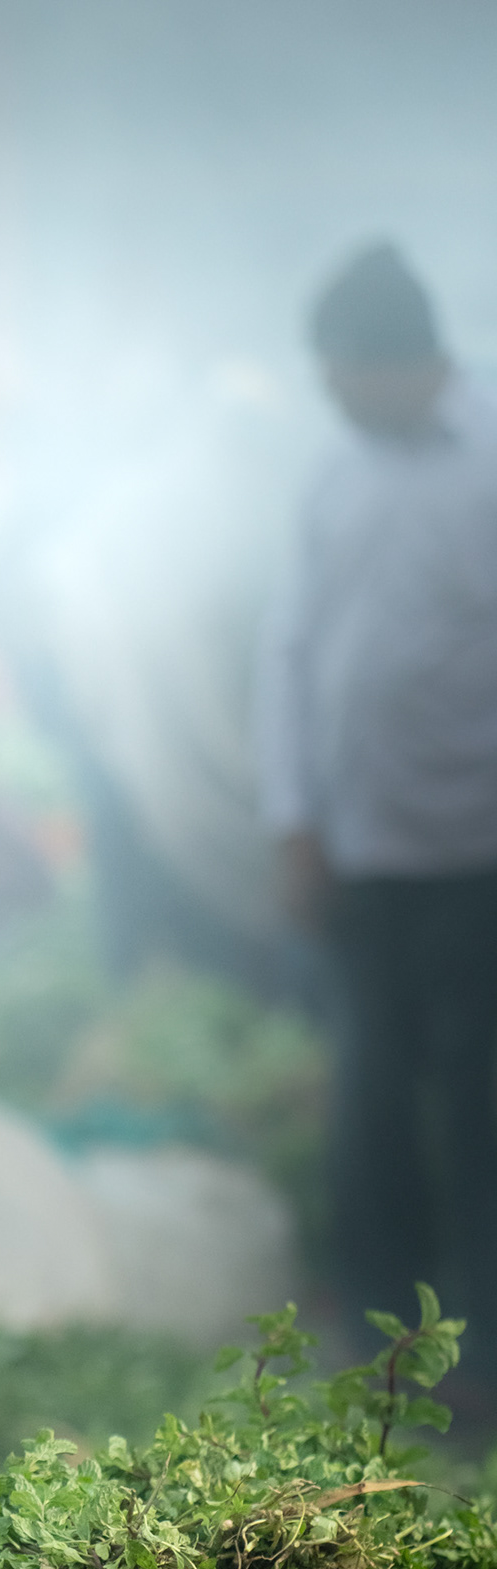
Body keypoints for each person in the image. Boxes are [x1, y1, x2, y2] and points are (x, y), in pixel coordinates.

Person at [257, 241, 497, 1373]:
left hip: (479, 855)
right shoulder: (332, 473)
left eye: (338, 372)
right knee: (372, 1111)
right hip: (361, 853)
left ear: (396, 362)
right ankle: (383, 1346)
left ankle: (483, 1354)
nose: (330, 394)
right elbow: (290, 654)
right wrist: (294, 820)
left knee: (484, 1108)